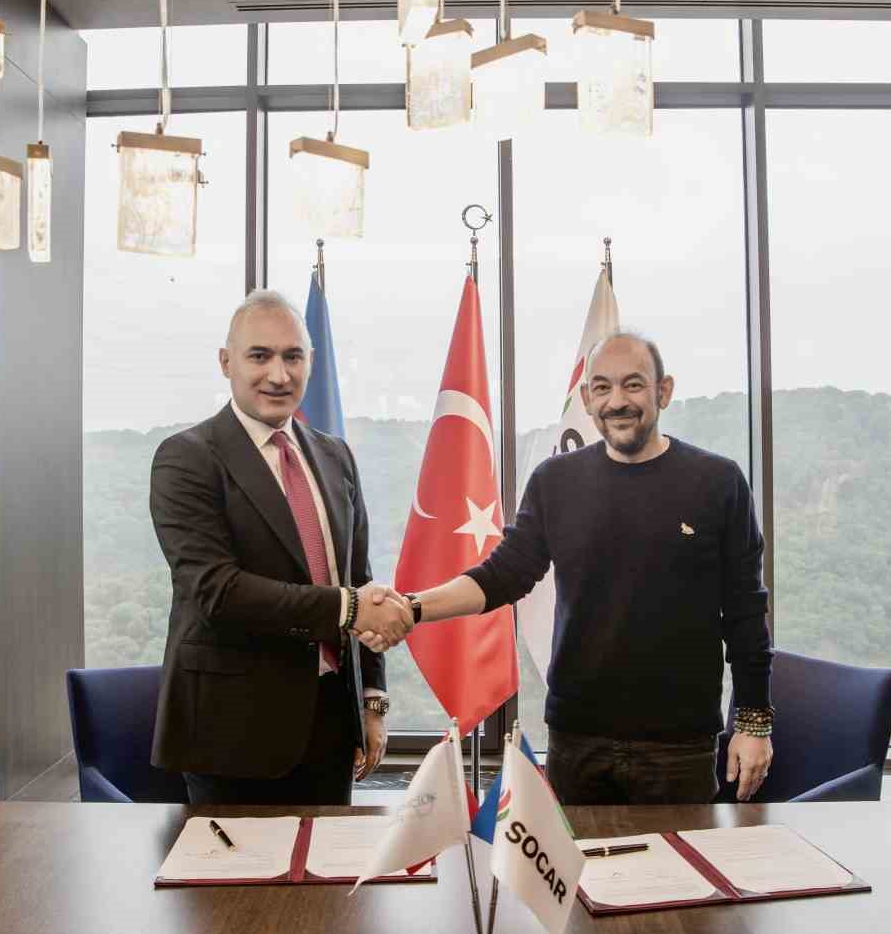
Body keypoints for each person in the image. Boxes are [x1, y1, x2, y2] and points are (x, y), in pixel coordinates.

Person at [362, 330, 774, 803]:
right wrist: (411, 607)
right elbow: (501, 577)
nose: (617, 401)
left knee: (677, 857)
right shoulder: (554, 481)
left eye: (633, 384)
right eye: (602, 387)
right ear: (586, 398)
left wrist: (753, 723)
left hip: (679, 748)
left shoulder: (718, 482)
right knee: (574, 856)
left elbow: (746, 613)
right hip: (576, 742)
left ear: (663, 391)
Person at [149, 290, 414, 804]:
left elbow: (358, 580)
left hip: (332, 726)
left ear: (310, 362)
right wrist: (350, 608)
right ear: (226, 362)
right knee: (237, 863)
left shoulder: (335, 456)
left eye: (293, 357)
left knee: (330, 859)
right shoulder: (186, 459)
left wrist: (372, 700)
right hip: (232, 735)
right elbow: (218, 591)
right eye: (260, 356)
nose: (278, 374)